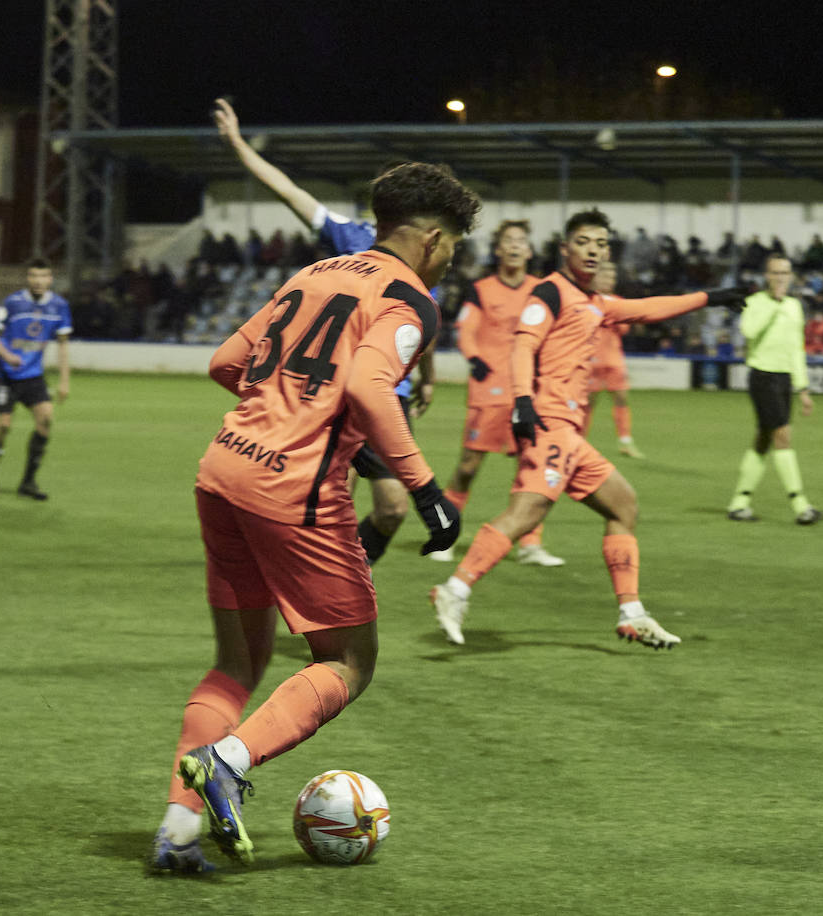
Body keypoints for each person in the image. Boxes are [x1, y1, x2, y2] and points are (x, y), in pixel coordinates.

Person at [153, 162, 477, 873]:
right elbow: (366, 383)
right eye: (453, 242)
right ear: (427, 237)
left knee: (237, 664)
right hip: (292, 491)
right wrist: (426, 489)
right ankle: (228, 762)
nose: (453, 257)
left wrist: (287, 413)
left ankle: (176, 833)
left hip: (224, 467)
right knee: (349, 660)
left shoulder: (314, 272)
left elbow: (225, 362)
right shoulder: (411, 298)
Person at [429, 209, 745, 648]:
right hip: (549, 423)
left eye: (601, 244)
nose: (594, 250)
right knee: (527, 513)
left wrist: (710, 297)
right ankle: (455, 589)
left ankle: (632, 613)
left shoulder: (595, 303)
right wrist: (522, 399)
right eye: (584, 242)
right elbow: (524, 344)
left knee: (623, 506)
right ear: (565, 248)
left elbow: (650, 309)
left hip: (568, 433)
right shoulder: (550, 293)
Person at [213, 97, 433, 564]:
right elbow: (287, 191)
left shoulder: (428, 254)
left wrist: (426, 375)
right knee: (327, 506)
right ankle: (322, 591)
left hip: (388, 395)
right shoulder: (348, 238)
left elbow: (424, 317)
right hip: (334, 392)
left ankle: (344, 577)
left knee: (392, 510)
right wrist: (237, 145)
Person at [425, 219, 564, 566]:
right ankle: (445, 536)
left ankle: (531, 543)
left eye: (521, 241)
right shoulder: (481, 289)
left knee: (530, 467)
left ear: (530, 251)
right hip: (489, 391)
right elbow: (466, 328)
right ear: (499, 250)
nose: (515, 246)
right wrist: (475, 358)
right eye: (508, 241)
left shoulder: (542, 288)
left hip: (527, 392)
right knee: (468, 466)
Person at [725, 256, 823, 525]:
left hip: (783, 380)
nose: (781, 277)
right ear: (767, 276)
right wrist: (774, 306)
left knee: (763, 439)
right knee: (782, 435)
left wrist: (803, 388)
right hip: (762, 376)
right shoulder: (757, 302)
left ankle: (739, 502)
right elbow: (748, 331)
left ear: (791, 276)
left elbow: (796, 349)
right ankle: (800, 505)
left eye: (785, 272)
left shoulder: (795, 306)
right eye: (775, 272)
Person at [0, 259, 71, 500]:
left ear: (51, 279)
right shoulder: (12, 303)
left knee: (46, 421)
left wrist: (64, 381)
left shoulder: (60, 306)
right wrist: (7, 356)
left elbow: (63, 346)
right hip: (5, 376)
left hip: (33, 377)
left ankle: (28, 482)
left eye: (43, 276)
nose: (38, 281)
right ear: (28, 278)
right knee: (4, 427)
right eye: (33, 276)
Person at [583, 259, 643, 458]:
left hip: (614, 360)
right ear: (596, 277)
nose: (610, 279)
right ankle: (578, 441)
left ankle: (625, 441)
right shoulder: (587, 300)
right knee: (588, 403)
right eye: (606, 275)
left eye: (612, 276)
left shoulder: (618, 301)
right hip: (592, 359)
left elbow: (624, 329)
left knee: (621, 398)